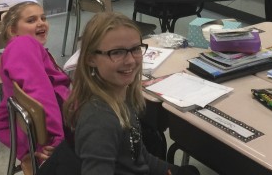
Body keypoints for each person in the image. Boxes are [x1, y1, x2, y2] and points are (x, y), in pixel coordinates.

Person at [63, 12, 199, 175]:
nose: (130, 60)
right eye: (116, 52)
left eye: (135, 49)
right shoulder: (99, 121)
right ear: (91, 59)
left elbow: (138, 157)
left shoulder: (120, 96)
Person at [0, 2, 71, 175]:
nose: (41, 23)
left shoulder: (23, 48)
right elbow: (40, 93)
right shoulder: (23, 45)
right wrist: (54, 140)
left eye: (43, 18)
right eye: (31, 20)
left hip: (57, 129)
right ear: (13, 30)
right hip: (65, 133)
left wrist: (27, 151)